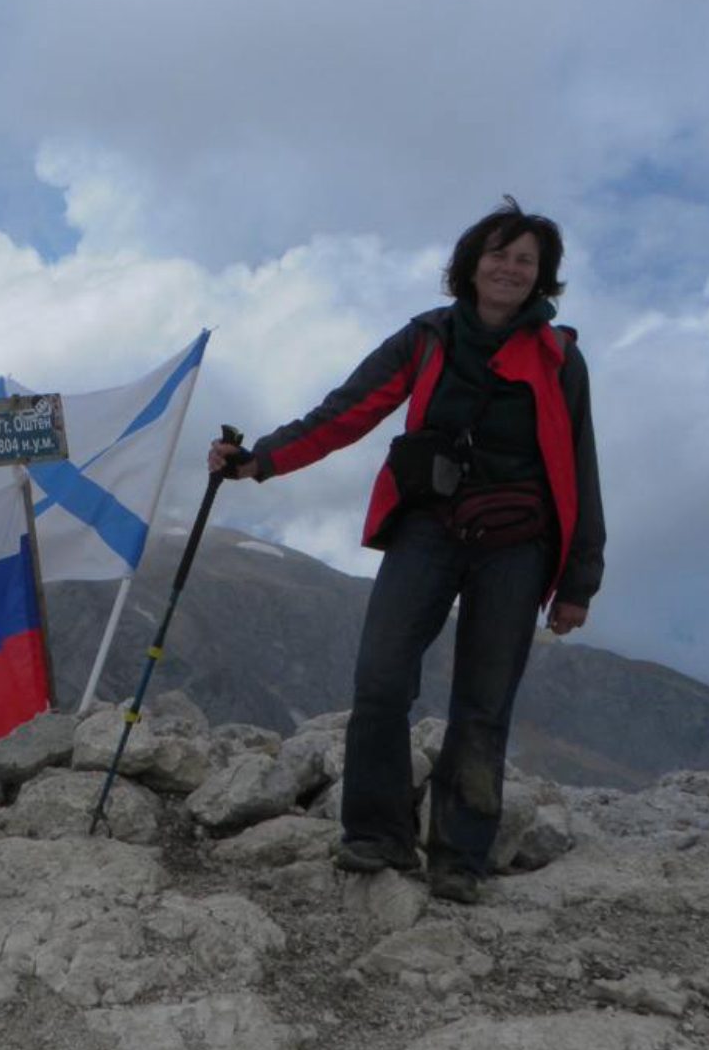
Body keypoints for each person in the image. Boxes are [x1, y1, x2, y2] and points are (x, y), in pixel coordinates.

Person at [209, 198, 604, 904]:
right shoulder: (426, 338)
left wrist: (580, 579)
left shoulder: (559, 357)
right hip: (426, 527)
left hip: (517, 545)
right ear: (470, 264)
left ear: (542, 278)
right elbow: (348, 410)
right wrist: (259, 459)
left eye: (526, 260)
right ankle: (377, 833)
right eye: (498, 253)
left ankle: (460, 855)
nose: (509, 268)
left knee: (483, 704)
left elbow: (580, 466)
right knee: (382, 679)